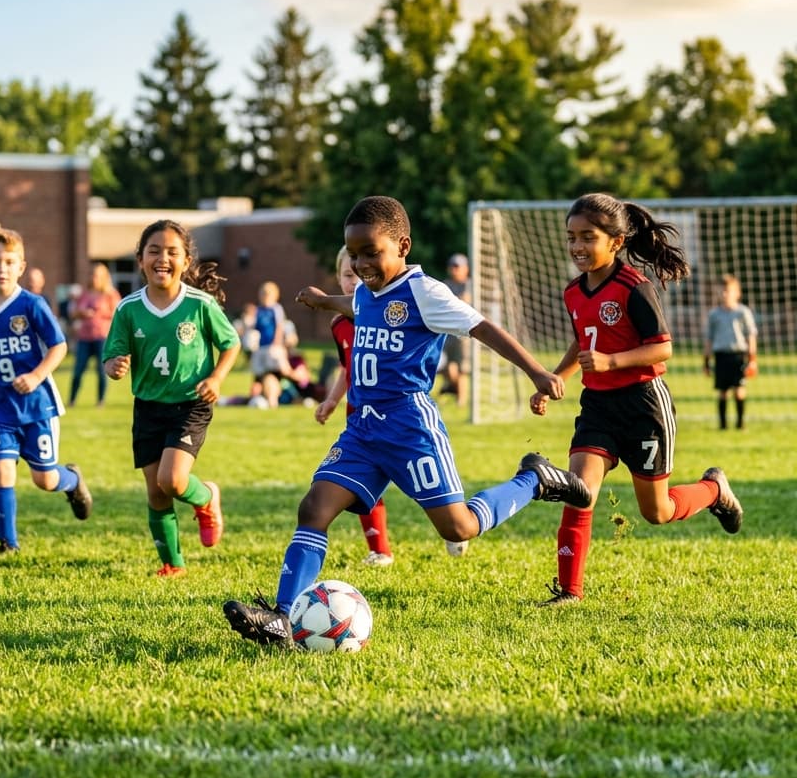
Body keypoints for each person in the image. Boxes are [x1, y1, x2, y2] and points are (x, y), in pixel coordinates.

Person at [223, 195, 589, 647]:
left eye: (370, 252)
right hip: (363, 431)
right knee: (314, 508)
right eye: (353, 254)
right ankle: (282, 617)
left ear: (402, 245)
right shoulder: (365, 291)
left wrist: (536, 371)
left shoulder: (426, 293)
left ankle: (533, 480)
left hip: (410, 428)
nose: (360, 263)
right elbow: (356, 303)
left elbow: (482, 328)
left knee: (458, 527)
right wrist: (324, 302)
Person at [529, 193, 745, 606]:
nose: (576, 246)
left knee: (657, 511)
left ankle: (714, 491)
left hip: (644, 406)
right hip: (598, 407)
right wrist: (552, 379)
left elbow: (662, 349)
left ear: (615, 241)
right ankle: (569, 591)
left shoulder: (635, 287)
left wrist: (612, 361)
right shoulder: (573, 292)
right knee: (580, 491)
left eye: (587, 237)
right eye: (571, 237)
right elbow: (582, 342)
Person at [103, 219, 241, 578]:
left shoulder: (199, 304)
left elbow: (231, 344)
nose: (162, 258)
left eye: (172, 252)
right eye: (154, 251)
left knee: (174, 481)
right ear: (140, 259)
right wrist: (114, 365)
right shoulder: (127, 309)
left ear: (186, 261)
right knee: (156, 493)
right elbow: (111, 356)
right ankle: (173, 564)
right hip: (148, 407)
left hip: (190, 404)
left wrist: (216, 377)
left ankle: (207, 497)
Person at [0, 223, 93, 556]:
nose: (2, 268)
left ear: (21, 267)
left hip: (36, 406)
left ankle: (72, 481)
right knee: (1, 469)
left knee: (44, 479)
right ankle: (8, 544)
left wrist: (37, 374)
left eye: (9, 262)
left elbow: (58, 347)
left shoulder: (31, 305)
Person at [314, 244, 396, 566]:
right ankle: (379, 550)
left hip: (395, 414)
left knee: (417, 483)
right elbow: (348, 367)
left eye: (360, 274)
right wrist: (333, 399)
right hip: (358, 416)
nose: (355, 282)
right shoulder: (338, 324)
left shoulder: (387, 314)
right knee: (362, 483)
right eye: (348, 274)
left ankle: (451, 524)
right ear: (338, 278)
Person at [704, 274, 757, 431]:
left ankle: (740, 424)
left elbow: (751, 335)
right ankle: (723, 425)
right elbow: (709, 339)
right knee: (722, 392)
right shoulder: (714, 314)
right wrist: (706, 362)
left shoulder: (743, 312)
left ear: (737, 293)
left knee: (739, 391)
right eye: (722, 291)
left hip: (738, 355)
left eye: (728, 291)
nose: (724, 294)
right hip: (721, 356)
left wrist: (752, 359)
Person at [68, 263, 121, 407]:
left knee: (101, 370)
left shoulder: (110, 295)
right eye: (91, 274)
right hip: (84, 337)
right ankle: (71, 400)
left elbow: (118, 316)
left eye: (97, 275)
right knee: (78, 370)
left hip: (102, 337)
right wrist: (81, 313)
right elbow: (73, 313)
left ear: (104, 277)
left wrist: (98, 313)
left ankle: (100, 401)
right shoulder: (83, 294)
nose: (93, 278)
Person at [248, 281, 292, 408]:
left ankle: (276, 397)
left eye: (267, 294)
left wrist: (277, 343)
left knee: (275, 373)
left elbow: (279, 326)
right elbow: (255, 327)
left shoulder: (276, 309)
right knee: (260, 374)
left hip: (273, 348)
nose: (264, 297)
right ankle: (259, 397)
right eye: (262, 294)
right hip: (261, 347)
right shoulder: (259, 310)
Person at [439, 253, 472, 404]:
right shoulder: (445, 285)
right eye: (453, 266)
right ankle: (451, 386)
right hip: (447, 334)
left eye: (458, 267)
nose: (455, 270)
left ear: (466, 269)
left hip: (464, 335)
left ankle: (461, 400)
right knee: (447, 367)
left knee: (462, 368)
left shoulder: (471, 285)